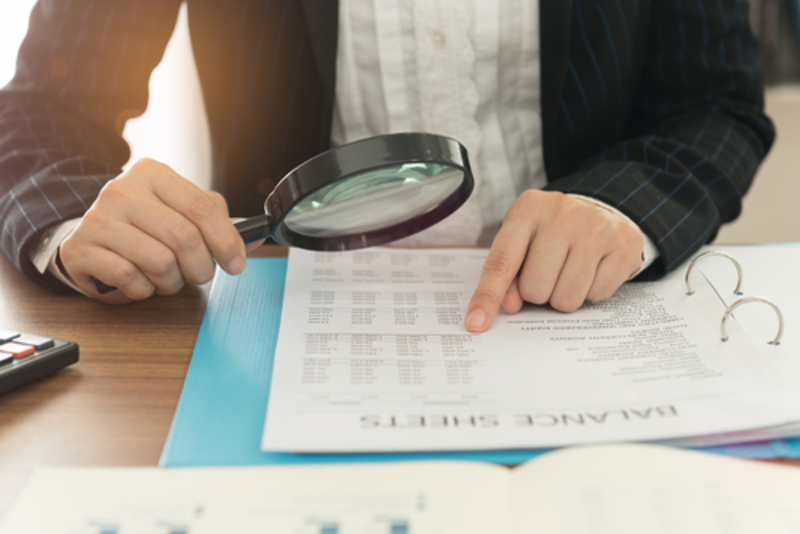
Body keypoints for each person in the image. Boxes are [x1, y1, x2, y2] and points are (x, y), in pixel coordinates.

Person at [0, 0, 774, 334]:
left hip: (580, 321)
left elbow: (716, 103)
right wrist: (71, 225)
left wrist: (621, 207)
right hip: (280, 328)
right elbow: (43, 108)